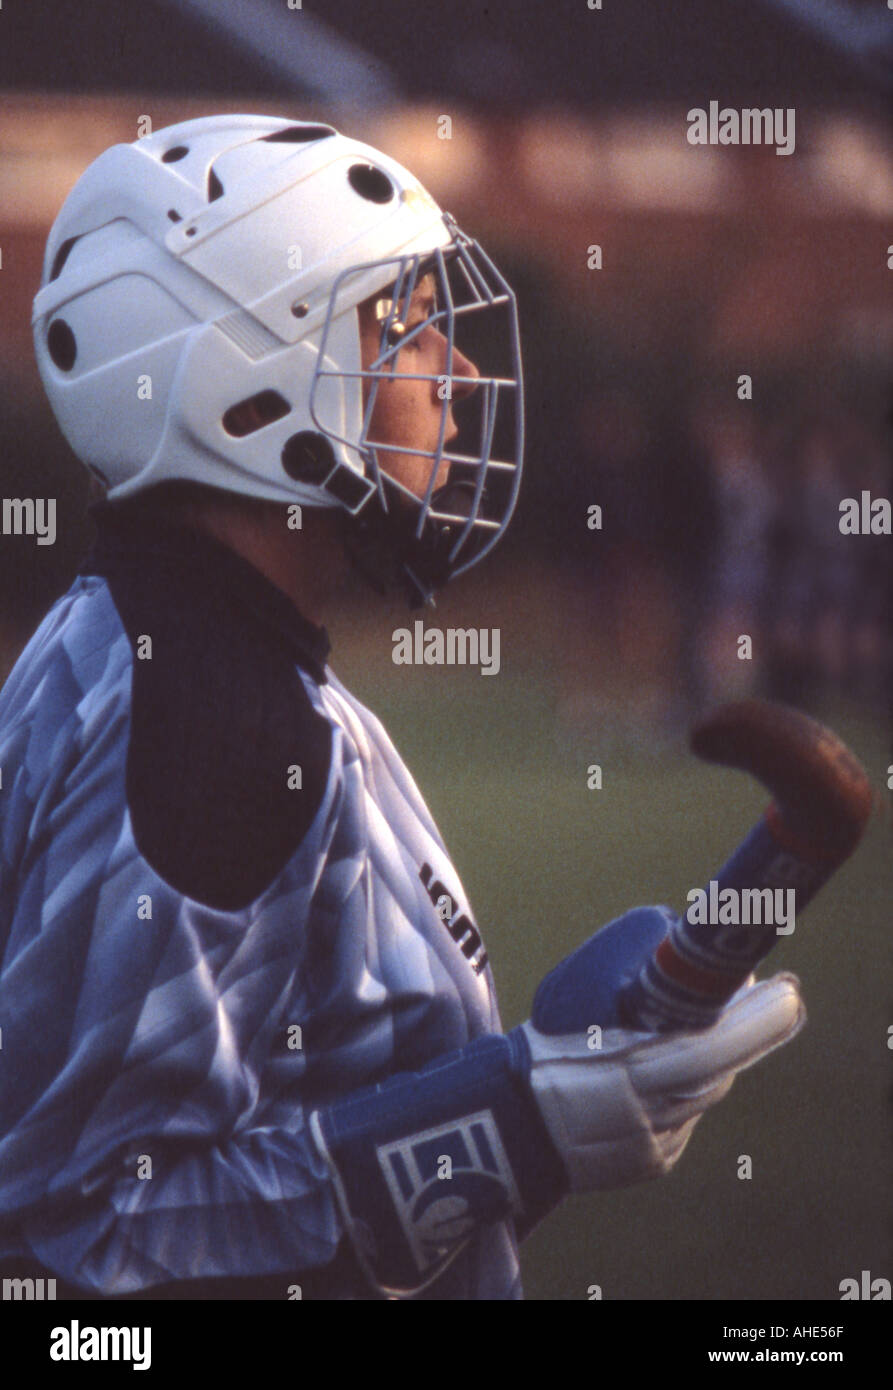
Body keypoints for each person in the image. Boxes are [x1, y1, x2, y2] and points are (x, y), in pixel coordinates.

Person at [0, 115, 804, 1301]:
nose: (461, 372)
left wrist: (519, 1068)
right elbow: (78, 1255)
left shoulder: (126, 638)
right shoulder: (219, 726)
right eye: (407, 324)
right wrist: (513, 1123)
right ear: (251, 377)